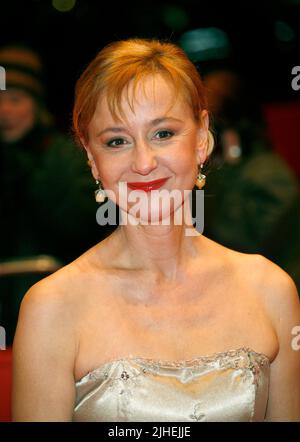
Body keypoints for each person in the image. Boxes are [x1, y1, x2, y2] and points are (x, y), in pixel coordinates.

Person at [12, 38, 300, 422]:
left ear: (201, 139)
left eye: (163, 133)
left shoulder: (272, 290)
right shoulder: (52, 307)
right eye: (117, 141)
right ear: (92, 159)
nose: (144, 163)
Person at [0, 45, 103, 345]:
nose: (5, 111)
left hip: (54, 307)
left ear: (36, 104)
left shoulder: (66, 156)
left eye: (16, 99)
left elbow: (82, 226)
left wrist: (32, 177)